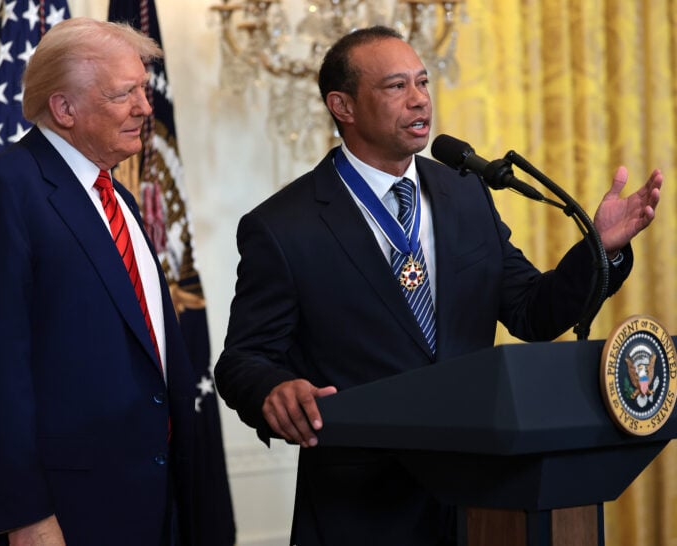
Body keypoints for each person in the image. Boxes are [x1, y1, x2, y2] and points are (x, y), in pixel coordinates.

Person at [214, 26, 662, 546]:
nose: (420, 99)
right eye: (395, 86)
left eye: (422, 82)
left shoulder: (465, 191)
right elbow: (243, 360)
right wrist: (272, 388)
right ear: (343, 106)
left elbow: (531, 311)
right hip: (361, 511)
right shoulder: (283, 225)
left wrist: (599, 249)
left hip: (483, 497)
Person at [0, 17, 197, 546]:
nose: (145, 108)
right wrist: (26, 517)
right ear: (64, 109)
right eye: (123, 94)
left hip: (152, 501)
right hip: (66, 515)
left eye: (144, 90)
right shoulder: (0, 193)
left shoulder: (118, 197)